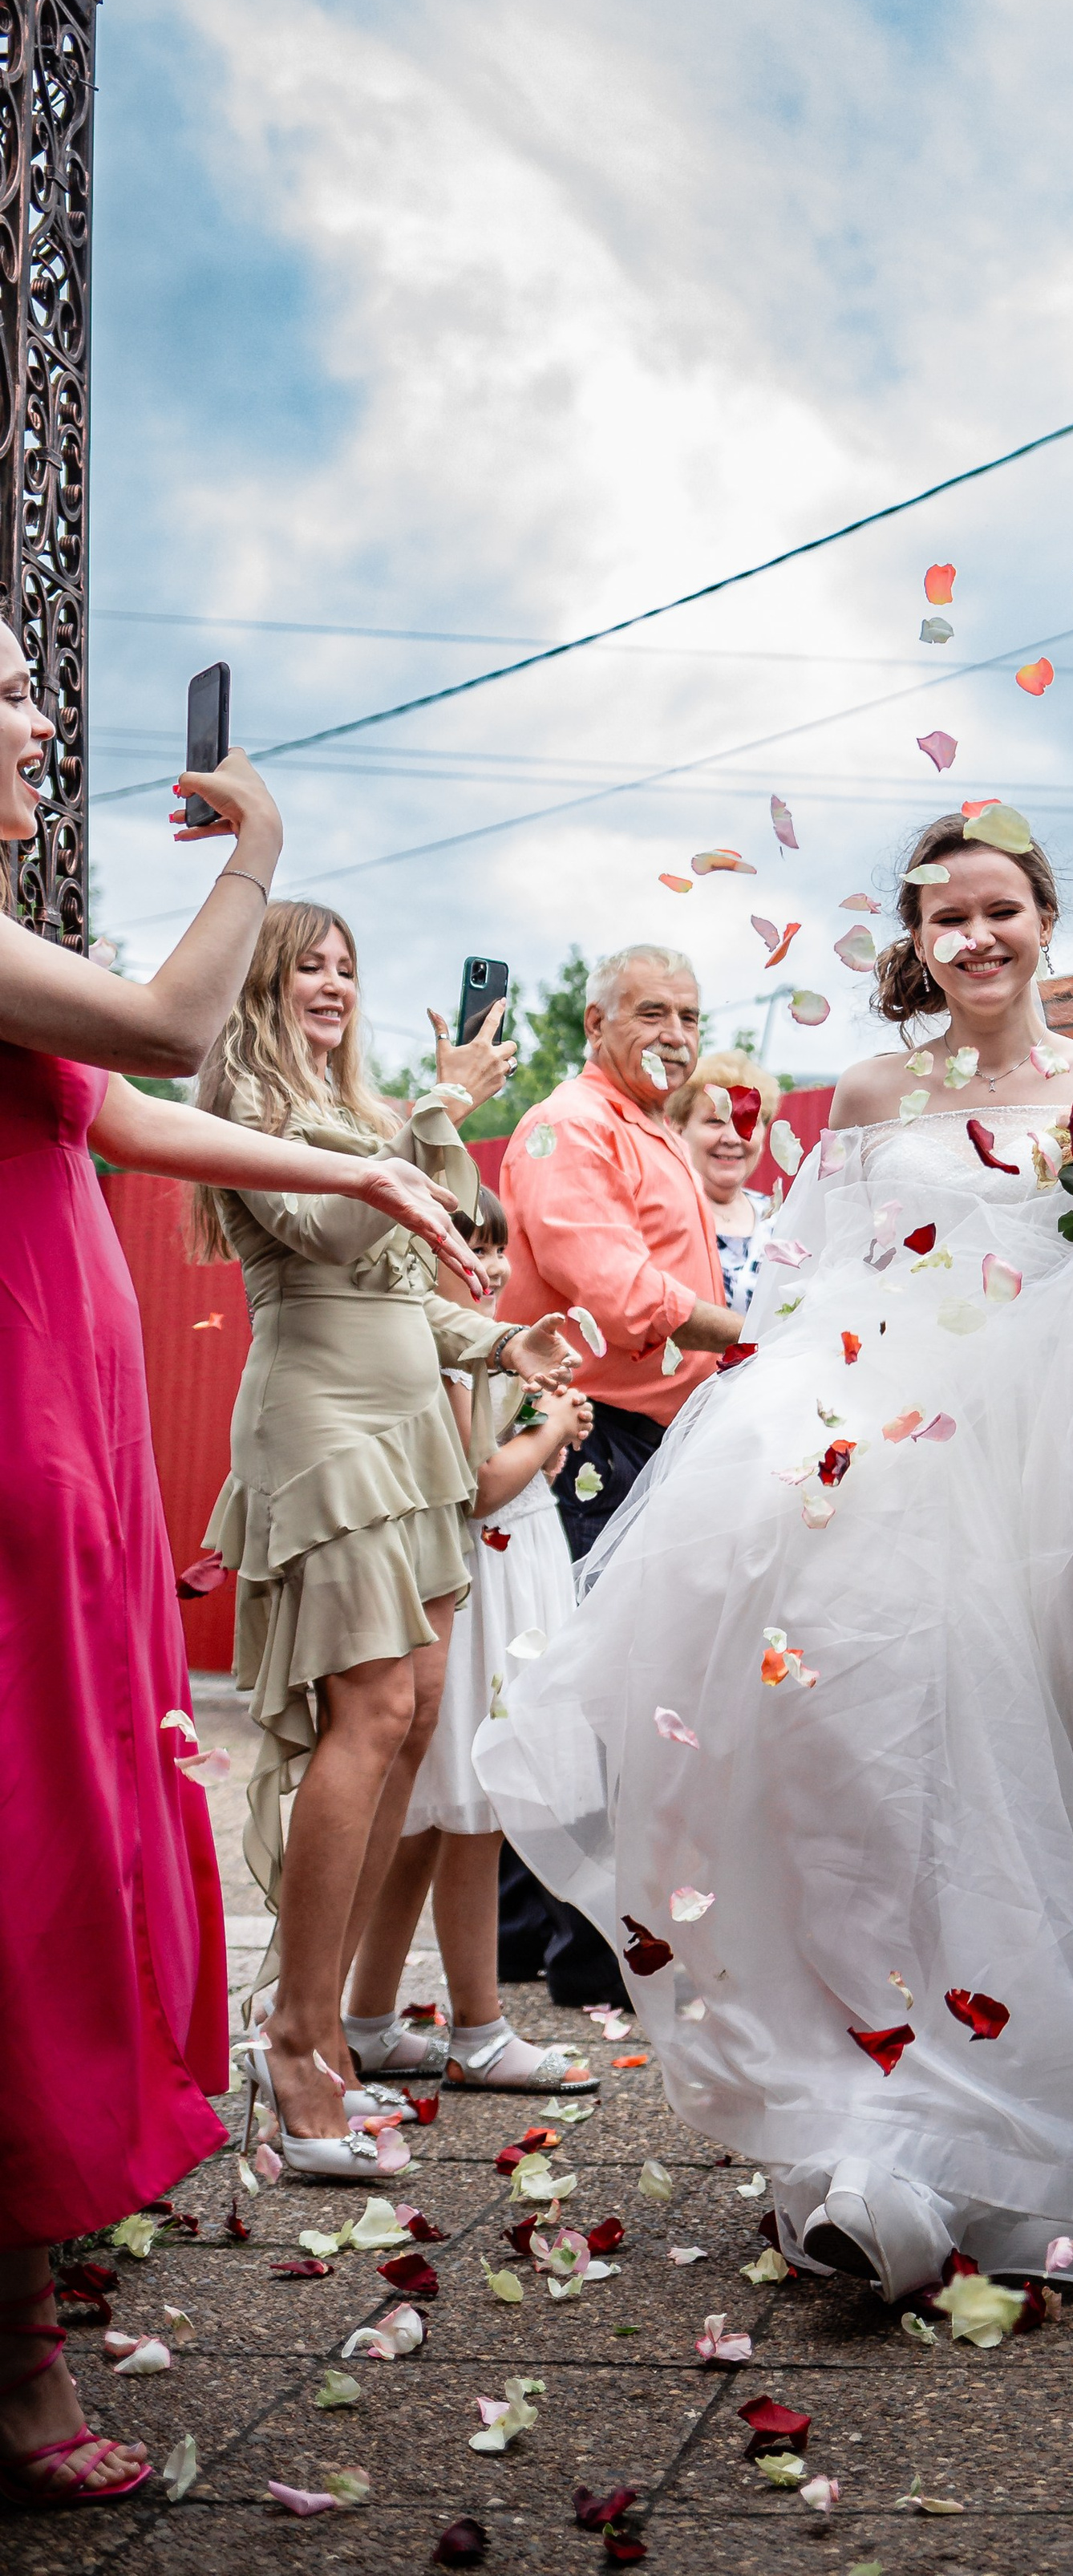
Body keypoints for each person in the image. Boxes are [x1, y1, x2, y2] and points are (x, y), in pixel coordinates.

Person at [478, 812, 1073, 2303]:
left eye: (1000, 910)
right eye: (945, 921)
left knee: (1052, 1805)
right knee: (866, 1783)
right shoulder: (866, 1091)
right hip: (890, 1479)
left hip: (1058, 1493)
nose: (976, 939)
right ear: (915, 946)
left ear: (1045, 916)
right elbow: (817, 1289)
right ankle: (874, 2129)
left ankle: (1031, 2118)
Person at [0, 632, 481, 2507]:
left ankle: (31, 2256)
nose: (42, 718)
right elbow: (163, 1030)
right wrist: (255, 844)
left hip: (72, 1428)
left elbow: (111, 1112)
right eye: (11, 688)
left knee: (75, 1827)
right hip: (15, 1424)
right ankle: (20, 2357)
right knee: (29, 1841)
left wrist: (360, 1174)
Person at [191, 905, 580, 2171]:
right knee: (364, 1720)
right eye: (309, 963)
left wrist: (500, 1343)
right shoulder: (247, 1107)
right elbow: (336, 1234)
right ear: (261, 980)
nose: (335, 983)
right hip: (329, 1434)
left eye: (350, 965)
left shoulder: (356, 1110)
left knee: (413, 1717)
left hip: (417, 1434)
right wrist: (439, 1111)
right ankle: (296, 2040)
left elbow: (413, 1280)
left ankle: (329, 2029)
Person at [496, 944, 743, 2001]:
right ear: (597, 1023)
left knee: (599, 1684)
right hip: (580, 1437)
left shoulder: (645, 1131)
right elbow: (611, 1286)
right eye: (652, 1012)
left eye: (690, 1015)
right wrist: (761, 1333)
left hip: (647, 1434)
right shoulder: (568, 1128)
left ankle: (529, 1938)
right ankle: (583, 1956)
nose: (676, 1034)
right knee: (588, 1692)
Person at [340, 1185, 601, 2095]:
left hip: (509, 1575)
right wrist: (552, 1431)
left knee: (432, 1822)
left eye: (494, 1252)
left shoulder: (497, 1354)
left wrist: (551, 1431)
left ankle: (368, 2022)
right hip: (476, 1589)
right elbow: (480, 1485)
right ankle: (482, 2032)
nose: (485, 1268)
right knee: (473, 1816)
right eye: (465, 1249)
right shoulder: (449, 1360)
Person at [669, 1047, 782, 1317]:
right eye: (715, 1121)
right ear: (679, 1129)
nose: (732, 1138)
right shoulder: (661, 1216)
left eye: (747, 1122)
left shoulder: (781, 1220)